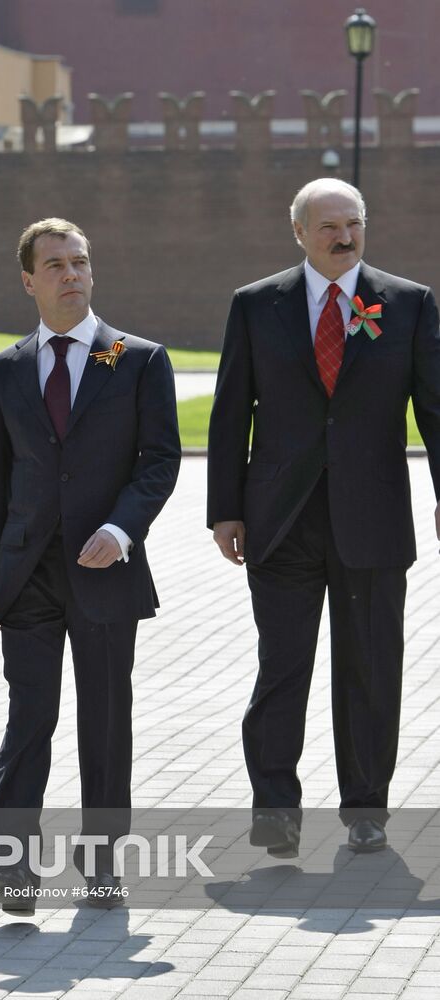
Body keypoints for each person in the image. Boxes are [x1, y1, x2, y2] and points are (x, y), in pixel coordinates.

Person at [207, 177, 440, 856]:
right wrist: (224, 510)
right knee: (282, 667)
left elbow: (435, 409)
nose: (344, 237)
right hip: (279, 519)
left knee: (369, 667)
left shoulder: (405, 303)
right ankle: (274, 808)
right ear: (300, 234)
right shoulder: (255, 306)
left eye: (354, 224)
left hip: (371, 520)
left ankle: (365, 807)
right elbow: (228, 416)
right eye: (329, 227)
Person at [0, 218, 181, 908]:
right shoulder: (3, 369)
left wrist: (122, 530)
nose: (70, 274)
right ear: (28, 280)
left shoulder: (137, 359)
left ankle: (101, 869)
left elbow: (159, 462)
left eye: (79, 262)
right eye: (54, 264)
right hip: (26, 572)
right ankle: (12, 868)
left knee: (104, 718)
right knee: (28, 716)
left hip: (104, 571)